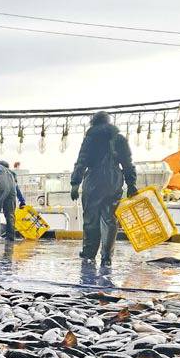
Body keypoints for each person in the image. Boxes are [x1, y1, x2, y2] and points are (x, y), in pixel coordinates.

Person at [70, 111, 137, 266]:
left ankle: (89, 253)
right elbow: (127, 162)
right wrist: (131, 183)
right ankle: (106, 257)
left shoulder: (90, 138)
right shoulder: (119, 139)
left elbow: (81, 161)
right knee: (110, 220)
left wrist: (75, 183)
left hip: (93, 181)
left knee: (91, 220)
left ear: (94, 122)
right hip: (114, 182)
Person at [0, 159, 26, 242]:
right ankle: (10, 237)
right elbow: (16, 188)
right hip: (12, 192)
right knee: (10, 214)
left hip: (1, 187)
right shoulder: (12, 173)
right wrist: (22, 201)